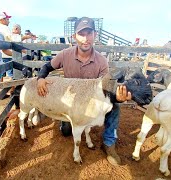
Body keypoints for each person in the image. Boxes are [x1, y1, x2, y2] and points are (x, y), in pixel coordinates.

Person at [36, 17, 131, 166]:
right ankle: (68, 123)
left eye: (89, 34)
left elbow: (107, 87)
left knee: (115, 108)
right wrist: (40, 78)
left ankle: (109, 143)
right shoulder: (65, 54)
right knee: (66, 132)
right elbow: (47, 67)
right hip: (71, 101)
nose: (85, 39)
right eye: (81, 34)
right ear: (75, 36)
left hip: (92, 100)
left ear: (95, 35)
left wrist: (118, 98)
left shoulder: (101, 61)